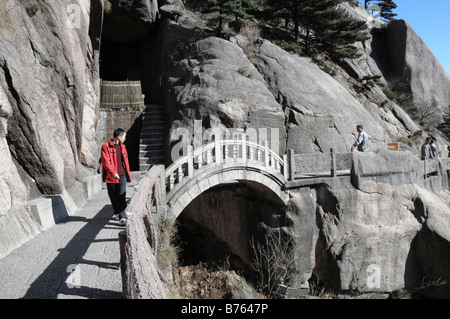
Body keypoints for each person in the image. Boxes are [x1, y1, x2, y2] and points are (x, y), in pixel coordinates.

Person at [101, 128, 131, 225]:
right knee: (113, 196)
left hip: (122, 174)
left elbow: (125, 162)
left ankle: (122, 216)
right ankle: (117, 211)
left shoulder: (123, 147)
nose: (125, 139)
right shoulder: (106, 147)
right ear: (119, 136)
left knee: (122, 195)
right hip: (111, 176)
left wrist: (127, 174)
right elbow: (106, 162)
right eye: (124, 137)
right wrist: (113, 173)